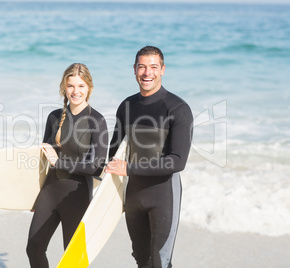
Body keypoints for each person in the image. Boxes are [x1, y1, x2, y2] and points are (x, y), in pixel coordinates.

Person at [105, 46, 193, 268]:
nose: (147, 73)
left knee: (159, 262)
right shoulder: (126, 106)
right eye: (142, 67)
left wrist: (130, 169)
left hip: (163, 195)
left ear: (163, 70)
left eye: (153, 67)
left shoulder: (178, 108)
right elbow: (113, 156)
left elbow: (177, 161)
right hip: (134, 196)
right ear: (134, 70)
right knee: (141, 260)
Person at [26, 63, 108, 268]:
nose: (75, 91)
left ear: (89, 87)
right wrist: (34, 193)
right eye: (70, 86)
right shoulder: (54, 117)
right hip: (50, 193)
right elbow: (44, 159)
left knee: (73, 260)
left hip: (77, 196)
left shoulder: (96, 121)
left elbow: (97, 167)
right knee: (34, 247)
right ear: (64, 87)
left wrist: (59, 162)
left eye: (81, 86)